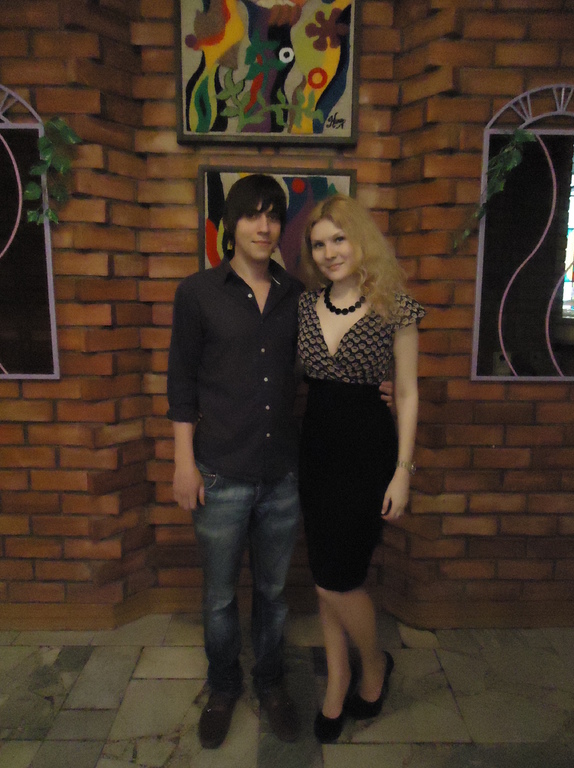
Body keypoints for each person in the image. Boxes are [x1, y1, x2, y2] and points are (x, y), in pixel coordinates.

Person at [167, 174, 303, 749]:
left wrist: (385, 388)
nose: (264, 226)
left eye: (273, 215)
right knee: (220, 595)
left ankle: (270, 683)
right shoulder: (197, 293)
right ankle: (223, 687)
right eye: (252, 214)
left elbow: (324, 365)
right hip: (218, 469)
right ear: (231, 225)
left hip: (282, 474)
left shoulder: (298, 295)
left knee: (273, 593)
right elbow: (181, 383)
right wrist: (184, 463)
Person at [297, 194, 425, 743]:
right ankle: (339, 678)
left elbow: (409, 392)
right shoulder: (305, 306)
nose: (329, 252)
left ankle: (373, 665)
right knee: (325, 576)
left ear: (360, 240)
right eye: (318, 244)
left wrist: (403, 470)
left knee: (338, 578)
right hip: (316, 452)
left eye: (338, 239)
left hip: (368, 452)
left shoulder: (395, 306)